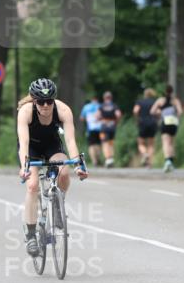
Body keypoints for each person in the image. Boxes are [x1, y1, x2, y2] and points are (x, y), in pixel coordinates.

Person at [17, 78, 88, 257]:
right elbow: (23, 143)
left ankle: (57, 206)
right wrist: (24, 167)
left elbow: (70, 141)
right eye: (41, 102)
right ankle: (31, 235)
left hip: (52, 145)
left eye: (49, 101)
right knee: (32, 186)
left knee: (64, 173)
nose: (46, 105)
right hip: (31, 148)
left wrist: (77, 165)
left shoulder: (63, 110)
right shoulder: (25, 111)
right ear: (34, 100)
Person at [150, 85, 183, 173]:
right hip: (173, 123)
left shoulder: (160, 100)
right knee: (171, 142)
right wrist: (176, 117)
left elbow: (152, 111)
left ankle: (167, 161)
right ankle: (171, 162)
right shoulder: (175, 101)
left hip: (165, 122)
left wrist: (160, 113)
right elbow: (180, 112)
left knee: (165, 142)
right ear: (172, 92)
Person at [133, 88, 159, 168]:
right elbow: (158, 112)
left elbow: (135, 111)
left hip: (142, 123)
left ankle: (145, 154)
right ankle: (149, 164)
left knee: (141, 143)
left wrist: (137, 119)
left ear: (145, 94)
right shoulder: (154, 102)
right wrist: (156, 118)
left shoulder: (140, 102)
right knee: (151, 144)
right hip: (152, 123)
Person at [97, 91, 122, 168]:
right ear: (111, 98)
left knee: (105, 143)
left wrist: (101, 119)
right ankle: (111, 158)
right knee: (111, 143)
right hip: (112, 126)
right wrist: (116, 122)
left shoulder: (102, 106)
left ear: (104, 98)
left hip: (104, 127)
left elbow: (97, 116)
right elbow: (118, 114)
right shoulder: (114, 106)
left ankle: (108, 159)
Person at [79, 95, 103, 167]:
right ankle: (98, 158)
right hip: (100, 128)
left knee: (91, 145)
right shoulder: (100, 106)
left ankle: (94, 161)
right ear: (97, 99)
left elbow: (81, 118)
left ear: (92, 99)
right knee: (99, 144)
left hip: (90, 129)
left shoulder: (86, 107)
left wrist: (88, 120)